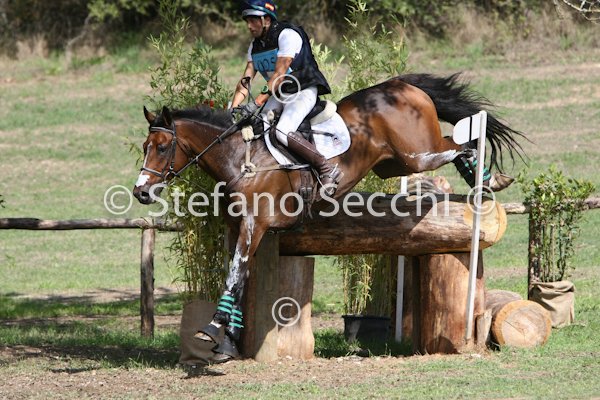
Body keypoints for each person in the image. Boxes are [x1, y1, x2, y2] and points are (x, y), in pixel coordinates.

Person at [231, 0, 342, 196]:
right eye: (247, 21)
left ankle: (326, 168)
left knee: (283, 131)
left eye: (253, 20)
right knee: (259, 127)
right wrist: (232, 109)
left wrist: (256, 103)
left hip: (303, 90)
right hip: (280, 93)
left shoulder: (287, 35)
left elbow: (279, 74)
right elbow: (245, 80)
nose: (249, 25)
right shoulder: (255, 46)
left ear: (266, 19)